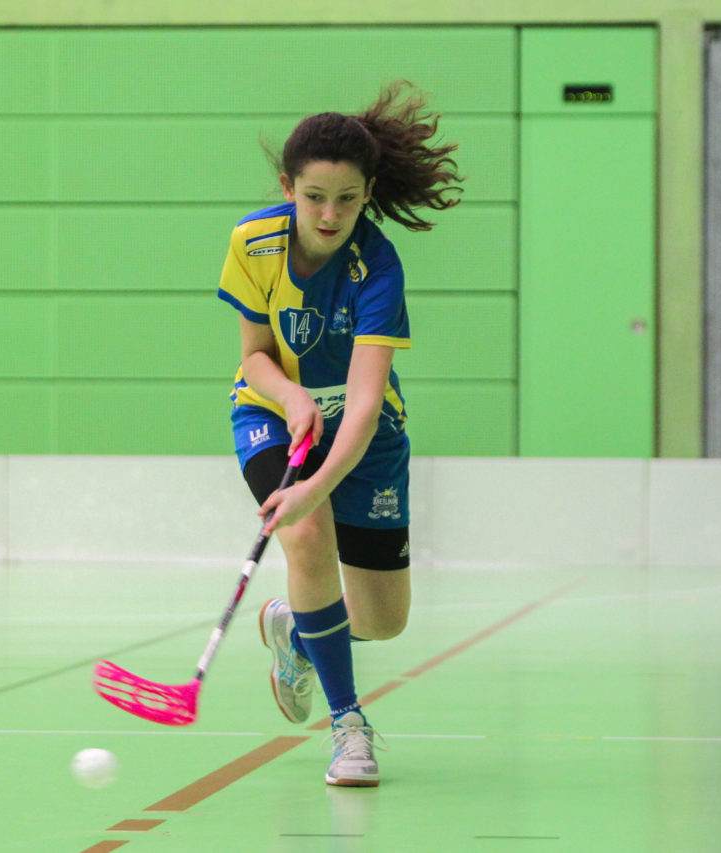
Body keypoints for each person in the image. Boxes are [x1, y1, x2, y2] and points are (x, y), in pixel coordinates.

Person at [216, 82, 461, 787]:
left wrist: (317, 481)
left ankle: (297, 627)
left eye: (347, 199)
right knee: (305, 535)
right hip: (270, 415)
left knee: (384, 620)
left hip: (365, 434)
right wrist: (291, 396)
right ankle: (349, 723)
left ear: (368, 192)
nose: (329, 214)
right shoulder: (252, 244)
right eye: (314, 195)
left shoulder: (377, 268)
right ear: (288, 185)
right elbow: (253, 357)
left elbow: (361, 404)